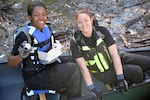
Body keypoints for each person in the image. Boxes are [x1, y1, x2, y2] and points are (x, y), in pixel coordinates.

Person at [70, 7, 150, 99]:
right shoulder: (76, 42)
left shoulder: (102, 31)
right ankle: (132, 87)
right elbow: (83, 68)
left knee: (147, 62)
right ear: (77, 24)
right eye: (80, 22)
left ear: (91, 20)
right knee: (137, 71)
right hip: (103, 72)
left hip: (113, 59)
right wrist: (92, 88)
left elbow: (114, 54)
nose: (84, 24)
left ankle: (122, 80)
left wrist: (120, 77)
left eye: (86, 20)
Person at [7, 1, 81, 99]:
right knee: (74, 69)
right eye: (36, 15)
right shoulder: (24, 36)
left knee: (75, 60)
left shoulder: (47, 28)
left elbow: (50, 47)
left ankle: (63, 88)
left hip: (48, 66)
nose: (41, 18)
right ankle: (75, 97)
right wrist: (21, 55)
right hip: (35, 76)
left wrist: (55, 49)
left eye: (44, 15)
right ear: (30, 17)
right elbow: (10, 62)